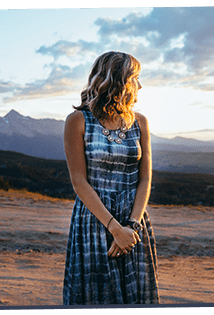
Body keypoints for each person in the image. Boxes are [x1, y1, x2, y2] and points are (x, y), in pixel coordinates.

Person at [62, 51, 160, 305]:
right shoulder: (78, 121)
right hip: (95, 220)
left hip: (133, 220)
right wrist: (114, 227)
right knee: (97, 294)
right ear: (117, 81)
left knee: (136, 295)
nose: (140, 85)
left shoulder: (140, 122)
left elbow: (145, 179)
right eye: (135, 78)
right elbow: (79, 181)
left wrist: (131, 227)